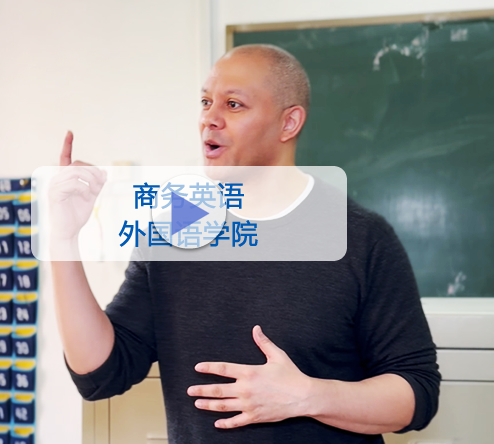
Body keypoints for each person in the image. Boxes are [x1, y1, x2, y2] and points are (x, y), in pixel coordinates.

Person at [50, 44, 440, 443]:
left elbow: (417, 393)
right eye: (206, 102)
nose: (210, 118)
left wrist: (307, 396)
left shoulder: (360, 237)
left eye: (233, 104)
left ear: (289, 123)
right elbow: (100, 373)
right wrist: (63, 240)